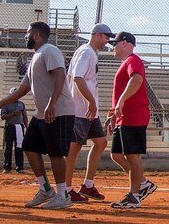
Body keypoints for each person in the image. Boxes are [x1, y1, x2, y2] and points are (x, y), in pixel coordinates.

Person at [0, 21, 76, 209]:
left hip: (59, 111)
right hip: (42, 114)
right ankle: (46, 189)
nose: (25, 37)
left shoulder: (49, 50)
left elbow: (60, 75)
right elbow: (23, 89)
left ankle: (63, 195)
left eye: (27, 33)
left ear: (36, 35)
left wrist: (51, 103)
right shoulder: (35, 58)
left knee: (56, 154)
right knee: (29, 147)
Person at [106, 31, 157, 208]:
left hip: (134, 115)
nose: (113, 47)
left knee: (132, 156)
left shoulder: (133, 60)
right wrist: (114, 114)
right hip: (123, 117)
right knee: (116, 155)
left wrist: (121, 101)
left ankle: (134, 196)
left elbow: (137, 79)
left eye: (115, 43)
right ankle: (143, 183)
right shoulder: (125, 63)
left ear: (125, 43)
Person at [64, 23, 114, 203]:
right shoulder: (86, 52)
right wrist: (91, 101)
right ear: (97, 35)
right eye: (106, 37)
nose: (108, 41)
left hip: (86, 111)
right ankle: (66, 190)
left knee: (100, 143)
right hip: (80, 109)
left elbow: (72, 77)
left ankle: (88, 185)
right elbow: (77, 77)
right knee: (73, 149)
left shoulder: (86, 52)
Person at [0, 87, 27, 173]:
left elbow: (24, 116)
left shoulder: (21, 104)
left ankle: (20, 167)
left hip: (19, 127)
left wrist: (27, 126)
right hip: (9, 127)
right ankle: (7, 167)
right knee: (8, 147)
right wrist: (13, 114)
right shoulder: (6, 104)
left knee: (19, 147)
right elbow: (2, 116)